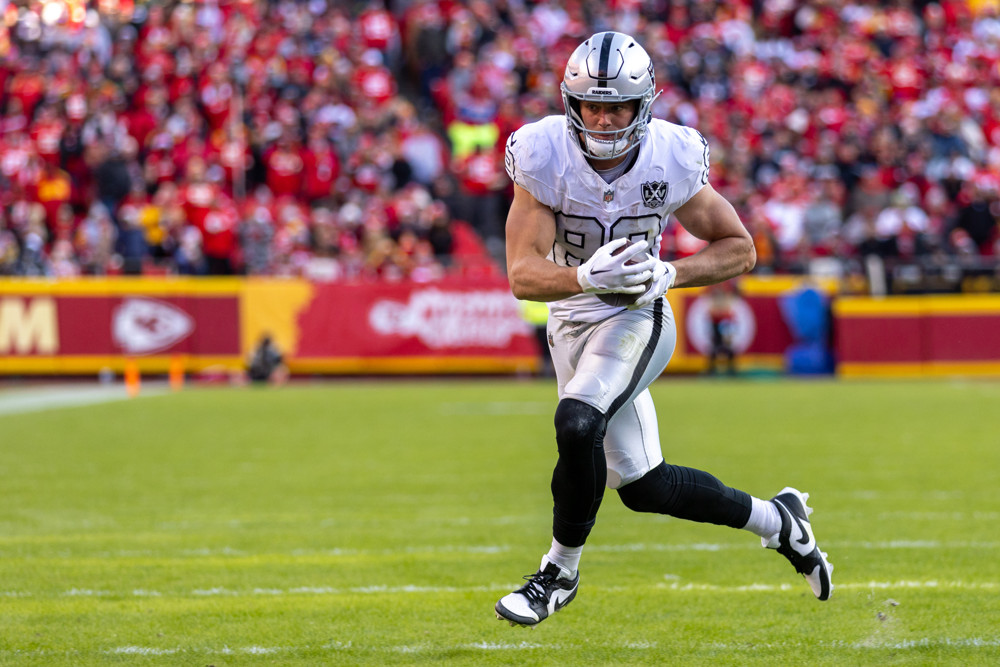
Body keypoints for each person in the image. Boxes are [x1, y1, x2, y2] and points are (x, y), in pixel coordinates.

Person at [494, 31, 833, 628]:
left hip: (637, 314)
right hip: (573, 317)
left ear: (642, 104)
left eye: (616, 105)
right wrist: (583, 280)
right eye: (592, 105)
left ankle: (558, 573)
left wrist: (670, 272)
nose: (602, 118)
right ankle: (780, 522)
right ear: (570, 105)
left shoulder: (670, 155)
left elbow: (740, 249)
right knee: (646, 487)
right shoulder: (542, 152)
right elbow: (523, 275)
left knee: (577, 423)